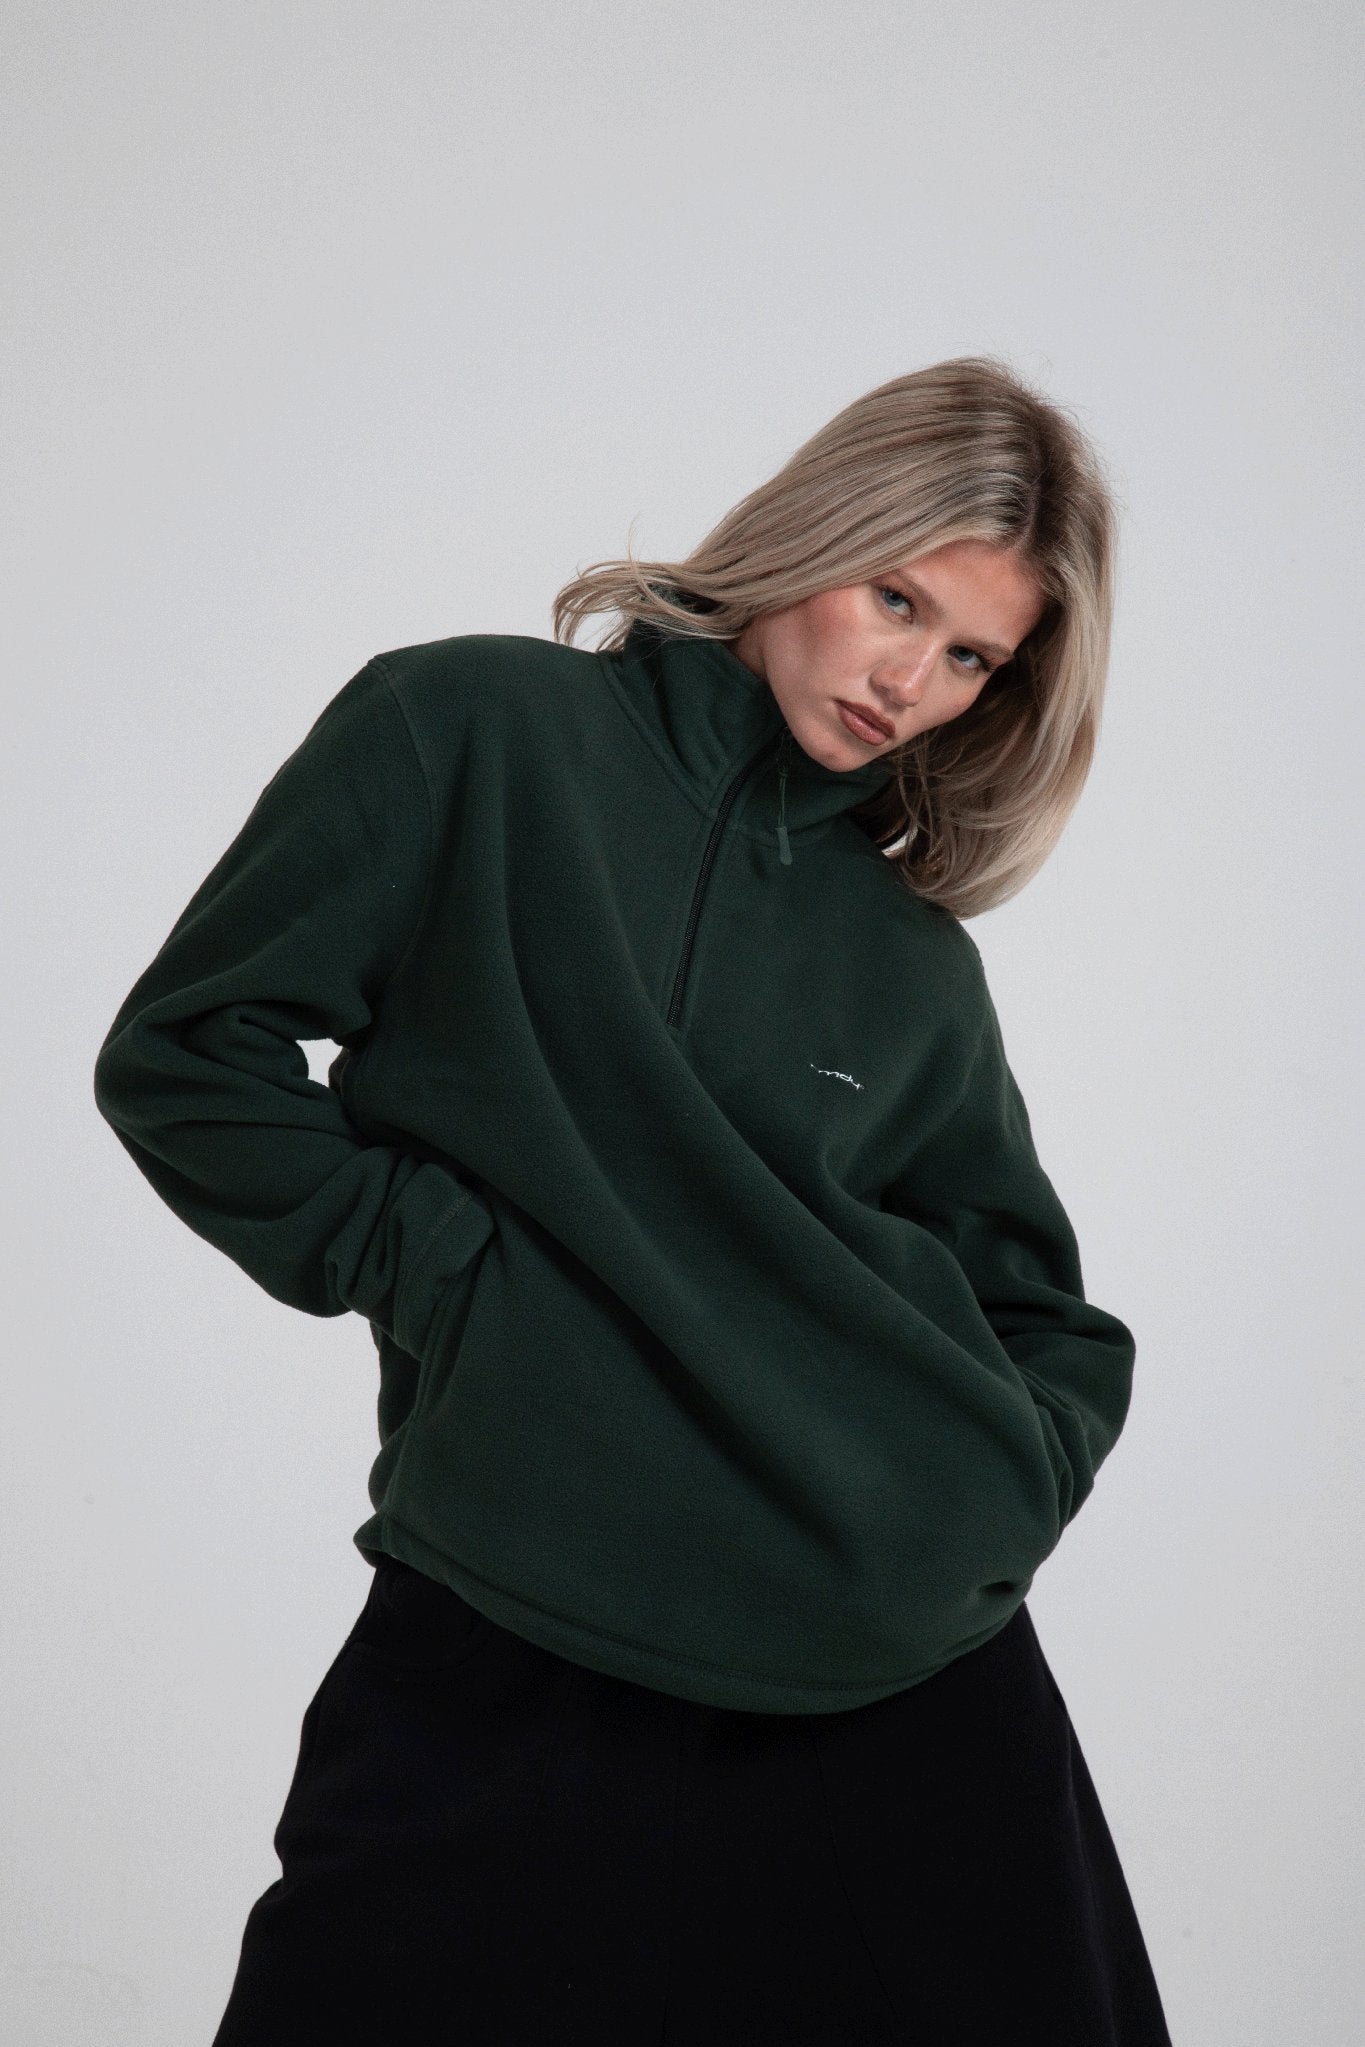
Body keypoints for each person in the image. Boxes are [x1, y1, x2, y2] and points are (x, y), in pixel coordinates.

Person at [93, 355, 1173, 2044]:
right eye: (896, 600)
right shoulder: (470, 730)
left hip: (895, 1663)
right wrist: (445, 1273)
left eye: (972, 656)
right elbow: (188, 1056)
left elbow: (1034, 1305)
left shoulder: (906, 961)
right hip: (517, 1611)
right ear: (812, 536)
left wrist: (987, 1481)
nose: (909, 681)